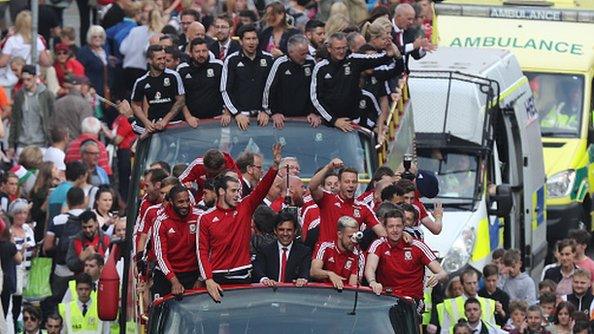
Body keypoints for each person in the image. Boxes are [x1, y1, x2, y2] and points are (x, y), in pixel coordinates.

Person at [197, 143, 282, 302]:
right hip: (217, 276)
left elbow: (262, 189)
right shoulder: (206, 217)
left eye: (239, 191)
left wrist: (275, 166)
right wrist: (208, 279)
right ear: (221, 191)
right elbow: (201, 251)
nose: (238, 195)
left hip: (243, 274)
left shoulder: (245, 207)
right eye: (233, 191)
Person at [365, 209, 447, 317]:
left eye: (398, 226)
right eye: (391, 226)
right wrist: (372, 282)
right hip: (386, 299)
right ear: (384, 227)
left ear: (404, 226)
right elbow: (370, 267)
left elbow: (443, 273)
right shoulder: (379, 244)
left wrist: (437, 276)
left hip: (412, 300)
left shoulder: (417, 245)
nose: (395, 230)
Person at [310, 32, 398, 131]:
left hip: (352, 121)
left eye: (344, 48)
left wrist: (388, 55)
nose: (341, 51)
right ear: (329, 49)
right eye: (338, 48)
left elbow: (373, 59)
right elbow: (315, 98)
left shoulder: (354, 60)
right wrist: (334, 120)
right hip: (328, 123)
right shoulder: (320, 68)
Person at [308, 158, 386, 244]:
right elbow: (312, 186)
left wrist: (402, 234)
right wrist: (328, 167)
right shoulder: (327, 199)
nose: (351, 185)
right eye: (347, 182)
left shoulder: (362, 208)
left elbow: (382, 232)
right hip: (327, 254)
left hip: (350, 254)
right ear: (339, 184)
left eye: (354, 182)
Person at [42, 187, 87, 315]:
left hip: (61, 270)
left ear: (67, 201)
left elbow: (47, 246)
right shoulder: (89, 218)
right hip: (82, 269)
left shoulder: (58, 219)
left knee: (58, 301)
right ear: (83, 200)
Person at [221, 24, 274, 130]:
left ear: (258, 40)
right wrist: (236, 113)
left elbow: (273, 88)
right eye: (247, 39)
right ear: (241, 41)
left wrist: (267, 111)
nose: (251, 42)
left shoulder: (269, 59)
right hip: (240, 119)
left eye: (254, 38)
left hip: (263, 118)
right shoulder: (231, 60)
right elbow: (225, 90)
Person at [262, 34, 321, 129]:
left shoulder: (311, 62)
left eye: (306, 53)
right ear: (291, 52)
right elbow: (269, 89)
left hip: (306, 119)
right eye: (302, 54)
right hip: (283, 119)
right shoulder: (280, 64)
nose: (305, 56)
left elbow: (316, 90)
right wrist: (272, 112)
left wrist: (314, 112)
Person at [152, 185, 201, 298]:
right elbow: (160, 256)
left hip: (192, 273)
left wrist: (201, 278)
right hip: (167, 275)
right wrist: (174, 281)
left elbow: (207, 249)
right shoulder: (160, 222)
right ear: (171, 202)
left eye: (187, 201)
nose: (185, 205)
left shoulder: (200, 217)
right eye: (180, 202)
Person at [131, 44, 185, 135]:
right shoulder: (141, 82)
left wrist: (165, 120)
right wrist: (146, 122)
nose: (163, 61)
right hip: (155, 125)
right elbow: (135, 104)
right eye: (159, 59)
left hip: (174, 124)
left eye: (164, 58)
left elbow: (181, 100)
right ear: (150, 60)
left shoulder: (173, 76)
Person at [252, 210, 311, 287]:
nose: (285, 234)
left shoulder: (304, 252)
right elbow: (258, 270)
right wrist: (265, 280)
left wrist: (302, 279)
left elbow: (304, 273)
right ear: (275, 231)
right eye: (281, 230)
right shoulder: (265, 251)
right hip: (270, 294)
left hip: (294, 295)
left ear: (295, 231)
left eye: (289, 230)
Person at [178, 37, 228, 126]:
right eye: (197, 52)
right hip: (192, 121)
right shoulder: (182, 69)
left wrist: (227, 112)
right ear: (190, 53)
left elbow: (227, 90)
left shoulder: (218, 66)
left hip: (216, 119)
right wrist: (188, 116)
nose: (201, 54)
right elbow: (179, 97)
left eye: (204, 51)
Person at [8, 65, 54, 156]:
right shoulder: (19, 96)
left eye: (28, 79)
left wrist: (52, 141)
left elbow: (52, 117)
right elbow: (14, 120)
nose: (25, 82)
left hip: (41, 144)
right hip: (22, 143)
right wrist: (11, 145)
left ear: (35, 78)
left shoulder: (46, 95)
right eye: (23, 80)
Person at [436, 268, 498, 334]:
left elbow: (493, 329)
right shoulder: (450, 305)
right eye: (469, 283)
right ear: (462, 284)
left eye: (475, 283)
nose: (472, 286)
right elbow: (445, 331)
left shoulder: (488, 303)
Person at [310, 216, 365, 290]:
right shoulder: (325, 247)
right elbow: (313, 271)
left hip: (344, 295)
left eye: (355, 237)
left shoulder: (359, 255)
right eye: (350, 237)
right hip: (321, 294)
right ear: (339, 234)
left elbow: (353, 286)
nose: (353, 241)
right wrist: (330, 274)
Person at [390, 3, 435, 71]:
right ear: (398, 16)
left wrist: (423, 49)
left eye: (412, 19)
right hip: (388, 73)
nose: (411, 22)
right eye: (409, 19)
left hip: (403, 75)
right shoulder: (387, 29)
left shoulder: (410, 31)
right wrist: (413, 45)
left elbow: (415, 55)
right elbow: (395, 50)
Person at [66, 210, 110, 274]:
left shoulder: (106, 239)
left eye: (90, 227)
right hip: (81, 280)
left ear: (96, 224)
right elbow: (70, 265)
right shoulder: (76, 240)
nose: (88, 230)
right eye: (84, 227)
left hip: (101, 279)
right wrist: (81, 259)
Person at [77, 26, 111, 100]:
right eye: (94, 37)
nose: (98, 39)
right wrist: (89, 87)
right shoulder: (83, 52)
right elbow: (80, 72)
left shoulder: (105, 50)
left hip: (105, 90)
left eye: (100, 36)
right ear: (90, 38)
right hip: (91, 90)